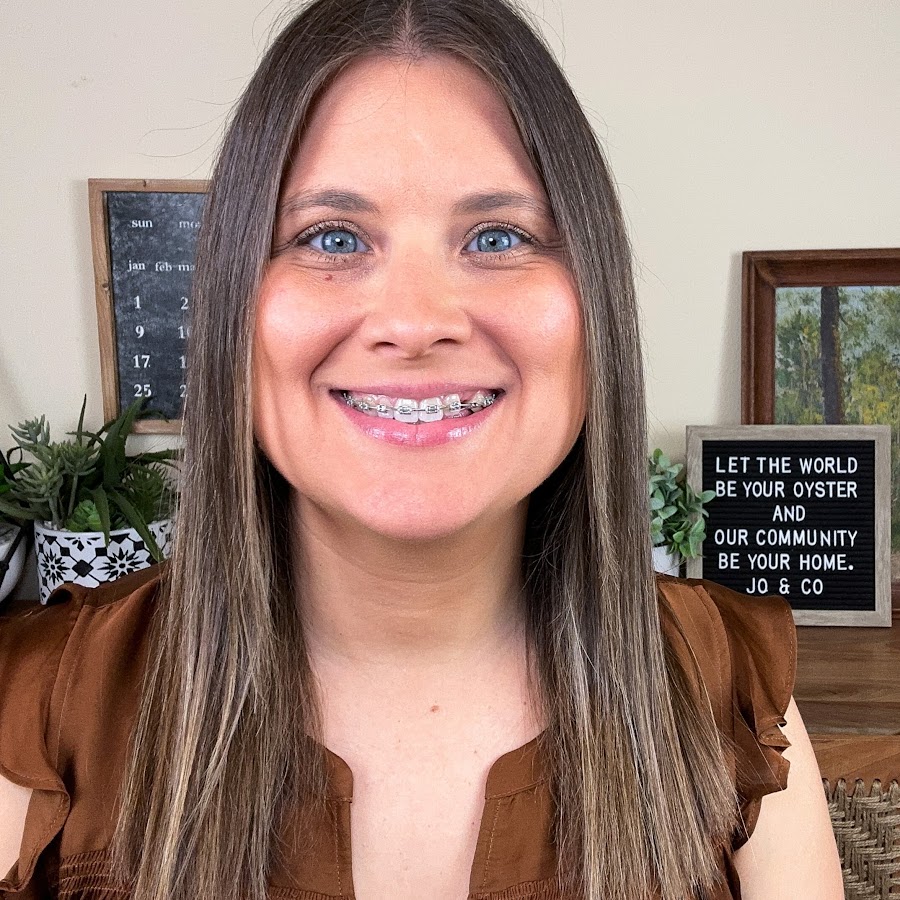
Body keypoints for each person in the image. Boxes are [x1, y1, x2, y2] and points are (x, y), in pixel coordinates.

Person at [0, 0, 843, 898]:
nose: (413, 321)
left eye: (497, 237)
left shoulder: (729, 694)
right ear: (234, 302)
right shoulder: (46, 708)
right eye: (331, 237)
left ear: (593, 298)